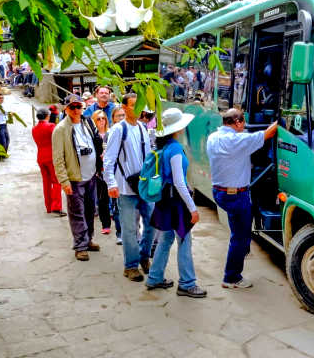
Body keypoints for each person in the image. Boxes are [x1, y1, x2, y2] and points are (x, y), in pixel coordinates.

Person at [206, 109, 277, 288]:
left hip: (220, 192)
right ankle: (232, 278)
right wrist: (282, 118)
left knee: (236, 229)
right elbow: (269, 133)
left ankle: (239, 253)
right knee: (241, 237)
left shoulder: (213, 137)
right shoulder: (237, 141)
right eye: (243, 122)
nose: (244, 125)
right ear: (237, 122)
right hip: (236, 195)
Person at [145, 108, 207, 298]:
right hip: (177, 204)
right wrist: (193, 208)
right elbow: (180, 183)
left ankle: (154, 278)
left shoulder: (163, 146)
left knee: (165, 240)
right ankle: (187, 284)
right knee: (184, 241)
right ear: (178, 128)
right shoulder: (175, 150)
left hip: (164, 201)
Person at [103, 93, 153, 282]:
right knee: (129, 228)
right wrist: (111, 183)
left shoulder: (142, 128)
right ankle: (130, 266)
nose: (138, 108)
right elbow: (109, 159)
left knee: (152, 223)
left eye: (139, 104)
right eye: (133, 105)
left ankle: (144, 256)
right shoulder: (118, 130)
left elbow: (148, 157)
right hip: (125, 187)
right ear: (124, 108)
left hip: (144, 185)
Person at [52, 94, 103, 261]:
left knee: (90, 210)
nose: (75, 110)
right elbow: (58, 158)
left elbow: (97, 142)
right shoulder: (60, 129)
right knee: (76, 213)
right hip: (75, 177)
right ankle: (80, 245)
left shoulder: (87, 122)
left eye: (78, 106)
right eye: (72, 107)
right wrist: (64, 180)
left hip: (91, 175)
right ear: (66, 109)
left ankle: (88, 239)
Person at [32, 107, 65, 217]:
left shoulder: (34, 129)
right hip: (51, 156)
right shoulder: (51, 126)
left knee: (46, 182)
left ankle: (48, 206)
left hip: (41, 156)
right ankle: (56, 206)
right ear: (47, 116)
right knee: (56, 181)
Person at [92, 110, 114, 236]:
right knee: (103, 199)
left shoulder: (111, 133)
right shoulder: (92, 136)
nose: (101, 121)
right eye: (98, 119)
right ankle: (105, 224)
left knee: (116, 199)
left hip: (112, 170)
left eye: (103, 118)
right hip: (99, 172)